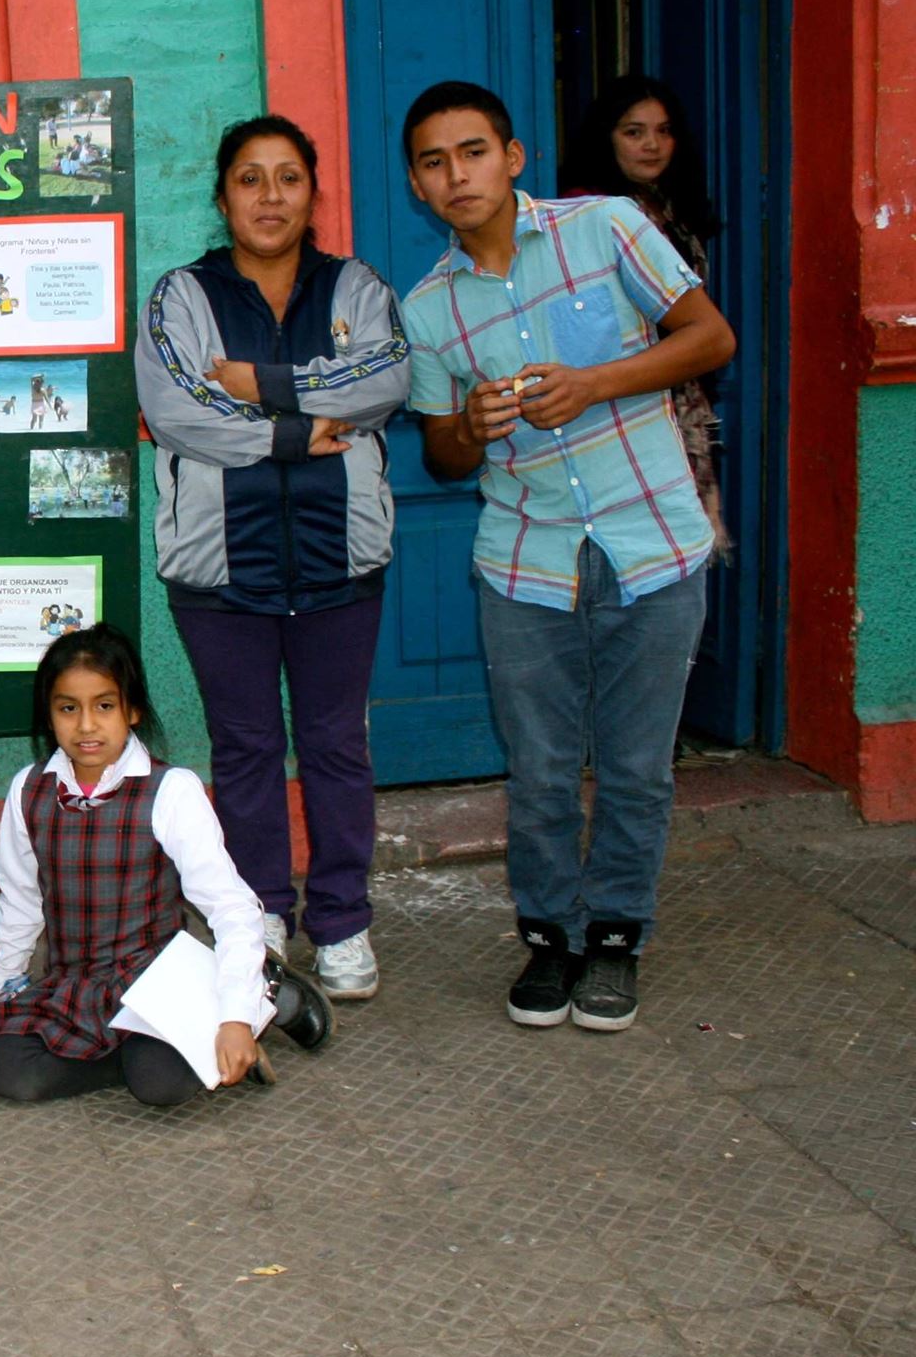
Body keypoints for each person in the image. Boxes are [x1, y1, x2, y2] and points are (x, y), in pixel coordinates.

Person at [400, 81, 734, 1033]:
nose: (456, 175)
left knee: (636, 767)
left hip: (652, 542)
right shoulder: (429, 311)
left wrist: (594, 384)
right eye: (434, 162)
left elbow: (710, 337)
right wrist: (468, 422)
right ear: (419, 188)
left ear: (512, 157)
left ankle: (618, 937)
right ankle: (550, 939)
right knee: (541, 768)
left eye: (472, 152)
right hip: (524, 561)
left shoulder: (608, 228)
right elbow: (441, 452)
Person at [135, 114, 412, 1002]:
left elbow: (386, 379)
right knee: (246, 750)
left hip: (342, 565)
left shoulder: (356, 286)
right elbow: (176, 410)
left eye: (288, 178)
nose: (270, 196)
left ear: (312, 193)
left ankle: (342, 925)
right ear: (222, 197)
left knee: (336, 747)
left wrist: (258, 384)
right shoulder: (181, 296)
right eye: (249, 179)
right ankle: (256, 920)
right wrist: (295, 433)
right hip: (220, 573)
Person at [0, 625, 332, 1104]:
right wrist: (2, 990)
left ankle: (254, 999)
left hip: (159, 979)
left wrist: (233, 1019)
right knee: (7, 1071)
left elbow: (230, 905)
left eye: (104, 706)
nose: (86, 725)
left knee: (161, 1086)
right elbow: (20, 902)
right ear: (50, 714)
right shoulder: (30, 790)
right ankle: (158, 1054)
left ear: (133, 710)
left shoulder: (171, 790)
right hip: (75, 984)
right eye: (68, 708)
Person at [564, 73, 727, 550]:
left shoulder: (671, 210)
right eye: (633, 132)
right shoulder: (586, 213)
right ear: (605, 138)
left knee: (682, 548)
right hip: (621, 401)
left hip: (680, 393)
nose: (652, 145)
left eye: (664, 130)